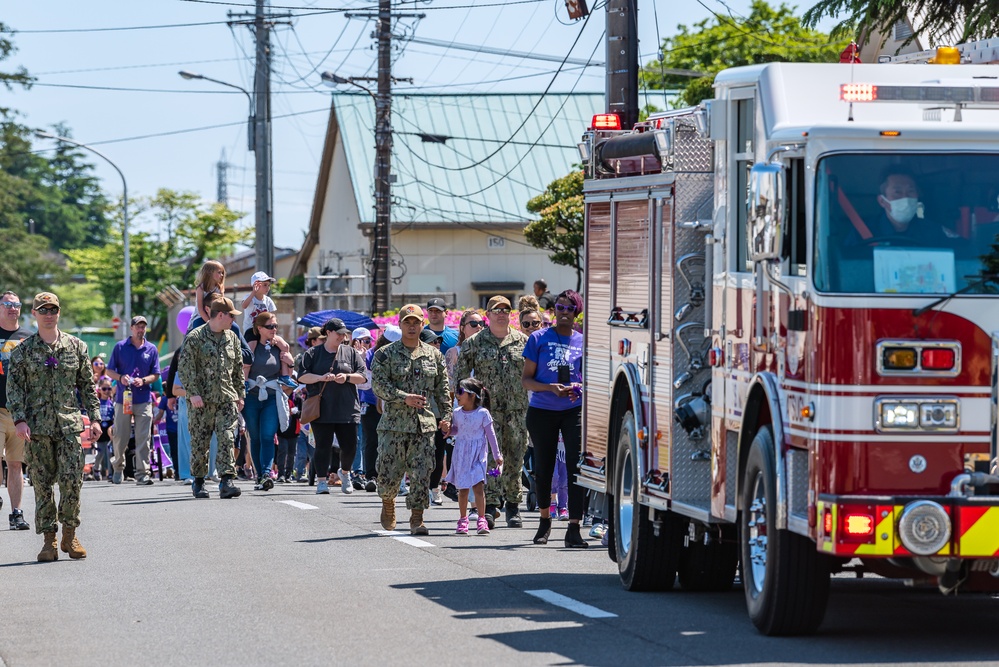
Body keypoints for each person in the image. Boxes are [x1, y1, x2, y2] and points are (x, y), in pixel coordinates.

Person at [7, 292, 102, 560]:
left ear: (59, 313)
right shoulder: (24, 351)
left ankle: (70, 536)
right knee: (42, 485)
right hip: (36, 430)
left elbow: (87, 386)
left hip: (69, 426)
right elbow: (14, 389)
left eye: (53, 310)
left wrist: (94, 418)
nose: (49, 314)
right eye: (43, 310)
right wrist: (20, 419)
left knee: (73, 482)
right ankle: (49, 540)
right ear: (34, 314)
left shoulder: (77, 347)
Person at [371, 305, 452, 535]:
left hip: (423, 426)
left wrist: (446, 418)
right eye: (407, 322)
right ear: (400, 325)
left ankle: (417, 518)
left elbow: (443, 390)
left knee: (421, 473)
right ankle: (388, 502)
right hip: (393, 426)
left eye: (416, 322)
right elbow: (379, 385)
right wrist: (404, 398)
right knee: (387, 474)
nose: (412, 326)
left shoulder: (434, 355)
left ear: (422, 324)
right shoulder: (385, 354)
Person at [455, 295, 530, 529]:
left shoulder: (524, 341)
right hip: (486, 412)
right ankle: (489, 507)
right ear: (487, 315)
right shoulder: (474, 343)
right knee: (487, 459)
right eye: (496, 310)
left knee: (515, 457)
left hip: (517, 410)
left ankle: (513, 506)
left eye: (506, 309)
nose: (501, 313)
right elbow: (461, 379)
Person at [521, 289, 587, 547]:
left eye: (569, 309)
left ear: (576, 312)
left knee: (575, 467)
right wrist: (551, 388)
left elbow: (589, 378)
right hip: (542, 410)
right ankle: (545, 522)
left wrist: (578, 388)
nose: (563, 313)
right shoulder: (538, 338)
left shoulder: (582, 341)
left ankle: (574, 527)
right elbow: (527, 380)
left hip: (574, 409)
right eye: (559, 308)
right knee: (544, 467)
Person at [177, 297, 246, 500]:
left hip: (226, 398)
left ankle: (226, 481)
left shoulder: (232, 338)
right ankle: (198, 481)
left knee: (227, 437)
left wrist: (240, 394)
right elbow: (185, 367)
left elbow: (237, 369)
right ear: (221, 315)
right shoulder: (195, 337)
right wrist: (193, 393)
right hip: (202, 401)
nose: (233, 320)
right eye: (231, 316)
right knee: (200, 442)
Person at [298, 317, 367, 495]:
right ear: (328, 333)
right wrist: (321, 378)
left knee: (350, 446)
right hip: (322, 409)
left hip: (347, 408)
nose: (343, 337)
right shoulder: (313, 353)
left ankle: (345, 473)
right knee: (322, 445)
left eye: (345, 334)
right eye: (339, 333)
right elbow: (302, 377)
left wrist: (347, 377)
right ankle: (322, 480)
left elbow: (363, 376)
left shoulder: (350, 353)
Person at [105, 315, 161, 486]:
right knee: (120, 437)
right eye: (138, 326)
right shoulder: (120, 347)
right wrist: (121, 377)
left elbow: (156, 374)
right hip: (124, 399)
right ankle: (118, 468)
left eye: (143, 327)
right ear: (131, 328)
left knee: (144, 437)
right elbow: (109, 371)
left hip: (143, 399)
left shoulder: (151, 349)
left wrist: (143, 380)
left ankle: (142, 473)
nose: (140, 329)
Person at [445, 377, 502, 535]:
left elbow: (491, 436)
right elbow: (457, 430)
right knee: (463, 490)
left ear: (472, 395)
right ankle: (463, 520)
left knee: (478, 487)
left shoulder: (483, 414)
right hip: (462, 454)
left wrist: (497, 456)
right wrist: (448, 430)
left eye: (460, 391)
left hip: (478, 454)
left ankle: (482, 519)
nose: (457, 395)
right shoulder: (456, 413)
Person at [845, 168, 951, 246]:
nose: (905, 197)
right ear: (882, 201)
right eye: (897, 192)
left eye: (910, 191)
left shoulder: (934, 232)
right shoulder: (862, 234)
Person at [0, 290, 33, 530]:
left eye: (16, 304)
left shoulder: (28, 338)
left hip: (19, 412)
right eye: (7, 304)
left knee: (15, 463)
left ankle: (16, 513)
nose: (12, 308)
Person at [244, 311, 287, 491]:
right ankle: (259, 473)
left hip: (271, 395)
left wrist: (288, 359)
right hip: (252, 396)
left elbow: (286, 375)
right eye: (270, 327)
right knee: (255, 437)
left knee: (268, 436)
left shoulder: (278, 347)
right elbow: (244, 370)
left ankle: (266, 474)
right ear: (259, 328)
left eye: (275, 326)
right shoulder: (251, 346)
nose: (274, 329)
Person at [358, 325, 399, 492]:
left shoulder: (401, 354)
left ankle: (390, 475)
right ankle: (371, 476)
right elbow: (365, 383)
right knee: (371, 440)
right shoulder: (369, 355)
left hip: (394, 404)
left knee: (392, 441)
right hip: (370, 403)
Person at [292, 327, 325, 482]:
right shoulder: (305, 357)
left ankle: (315, 469)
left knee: (317, 439)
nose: (324, 342)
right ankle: (301, 471)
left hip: (322, 401)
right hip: (307, 403)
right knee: (305, 440)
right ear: (313, 341)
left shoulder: (327, 356)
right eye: (321, 339)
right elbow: (300, 378)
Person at [421, 329, 449, 506]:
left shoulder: (441, 362)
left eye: (438, 342)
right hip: (419, 417)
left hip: (438, 416)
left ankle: (434, 488)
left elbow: (445, 391)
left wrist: (447, 416)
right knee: (421, 456)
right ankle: (421, 489)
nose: (437, 345)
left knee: (438, 456)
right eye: (432, 342)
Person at [444, 310, 484, 394]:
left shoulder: (487, 351)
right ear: (462, 328)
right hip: (461, 403)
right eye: (473, 324)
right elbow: (449, 387)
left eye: (481, 323)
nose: (479, 326)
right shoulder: (454, 352)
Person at [93, 379, 115, 482]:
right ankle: (96, 468)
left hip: (109, 428)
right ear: (100, 390)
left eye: (109, 388)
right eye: (104, 389)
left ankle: (111, 473)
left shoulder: (112, 403)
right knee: (101, 452)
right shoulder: (97, 402)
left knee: (110, 452)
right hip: (100, 427)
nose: (107, 391)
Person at [192, 259, 226, 327]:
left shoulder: (219, 288)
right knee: (195, 331)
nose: (221, 275)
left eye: (222, 273)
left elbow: (222, 305)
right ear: (210, 273)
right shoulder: (201, 288)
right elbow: (200, 309)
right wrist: (210, 323)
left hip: (216, 317)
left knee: (234, 327)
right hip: (201, 317)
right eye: (219, 272)